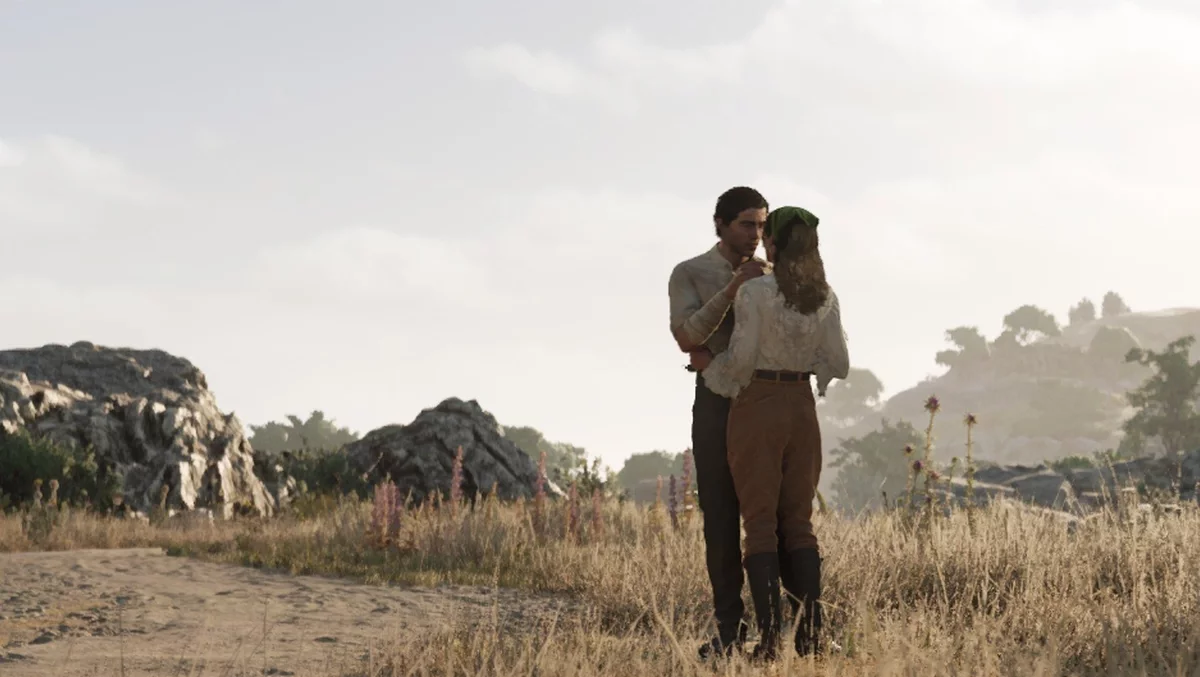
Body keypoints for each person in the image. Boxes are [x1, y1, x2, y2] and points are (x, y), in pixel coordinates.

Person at [692, 205, 849, 660]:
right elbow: (839, 363)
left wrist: (710, 368)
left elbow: (740, 360)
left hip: (758, 405)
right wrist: (805, 361)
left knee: (759, 524)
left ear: (773, 243)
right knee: (799, 524)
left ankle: (769, 643)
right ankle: (811, 638)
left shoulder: (756, 292)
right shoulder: (825, 297)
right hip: (802, 408)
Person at [666, 186, 799, 660]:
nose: (756, 234)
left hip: (767, 401)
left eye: (762, 225)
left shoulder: (774, 274)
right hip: (718, 403)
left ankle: (790, 631)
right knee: (720, 517)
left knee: (779, 517)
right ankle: (729, 632)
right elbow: (687, 336)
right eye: (747, 224)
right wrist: (733, 289)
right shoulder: (690, 272)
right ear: (720, 224)